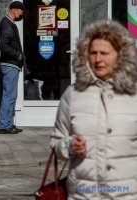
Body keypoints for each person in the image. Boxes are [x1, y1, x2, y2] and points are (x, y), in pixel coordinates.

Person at [50, 20, 137, 199]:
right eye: (93, 53)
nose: (98, 59)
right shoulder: (73, 94)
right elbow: (56, 143)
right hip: (84, 194)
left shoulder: (133, 94)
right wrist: (68, 145)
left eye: (105, 53)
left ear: (120, 55)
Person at [0, 1, 28, 134]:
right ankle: (4, 125)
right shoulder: (7, 25)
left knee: (11, 95)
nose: (22, 14)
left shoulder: (8, 23)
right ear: (15, 10)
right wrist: (18, 55)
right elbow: (3, 45)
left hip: (11, 64)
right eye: (21, 12)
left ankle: (8, 123)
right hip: (10, 64)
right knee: (9, 95)